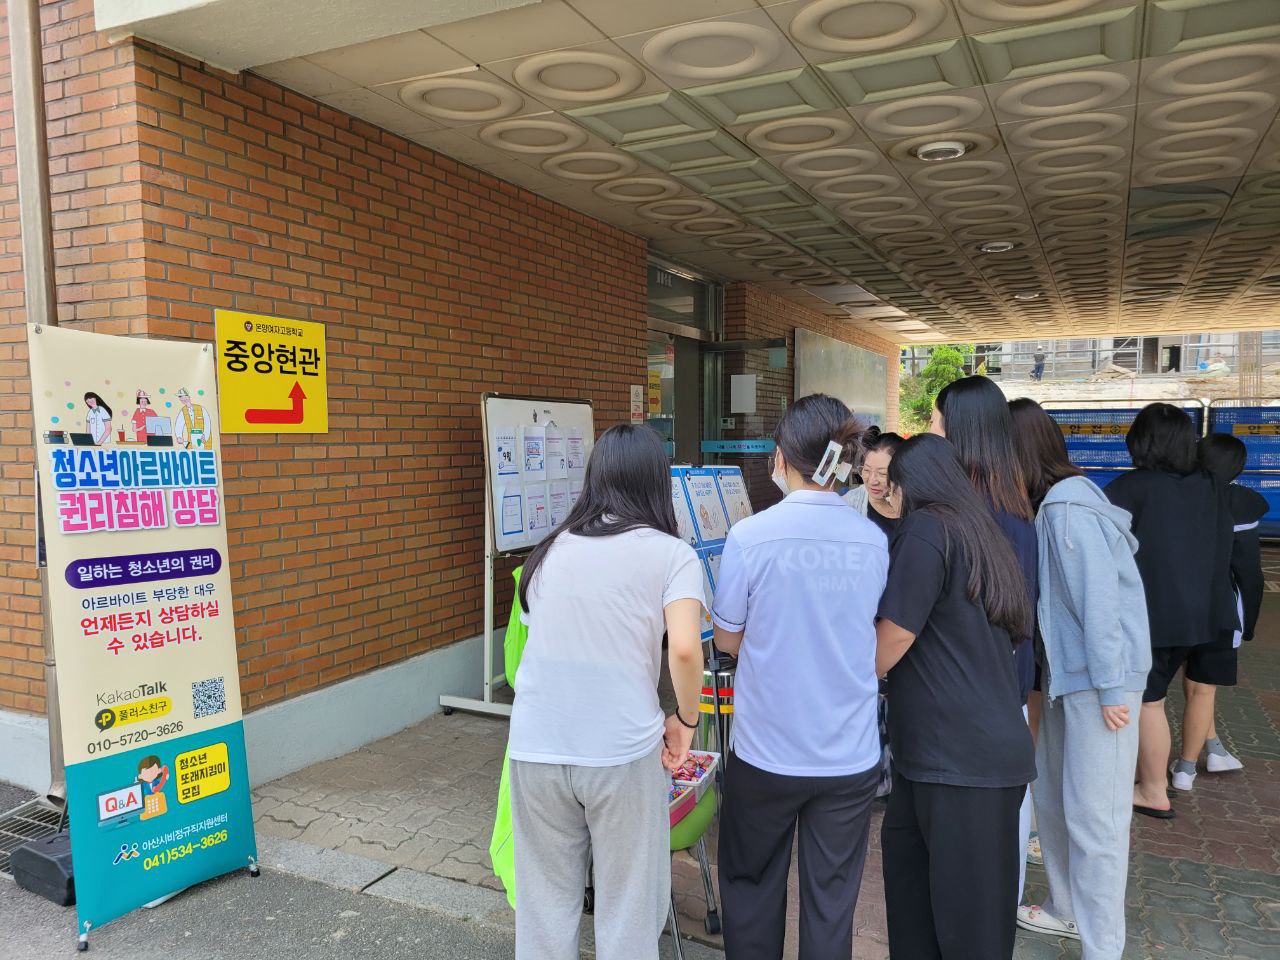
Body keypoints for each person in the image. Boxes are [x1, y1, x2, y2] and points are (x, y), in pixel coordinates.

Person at [506, 424, 705, 960]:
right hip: (620, 751)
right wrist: (685, 720)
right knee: (628, 910)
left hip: (535, 748)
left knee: (544, 907)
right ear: (656, 482)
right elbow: (685, 651)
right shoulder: (671, 555)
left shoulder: (545, 552)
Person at [713, 394, 887, 960]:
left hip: (767, 751)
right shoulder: (872, 540)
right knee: (832, 901)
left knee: (751, 884)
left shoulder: (749, 537)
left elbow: (727, 639)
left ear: (782, 456)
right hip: (849, 755)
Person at [876, 434, 1036, 960]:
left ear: (910, 484)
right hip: (954, 758)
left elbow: (894, 636)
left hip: (959, 763)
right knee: (919, 904)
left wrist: (843, 679)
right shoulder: (980, 532)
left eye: (891, 484)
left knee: (968, 932)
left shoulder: (927, 529)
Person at [1008, 399, 1150, 959]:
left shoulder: (1068, 509)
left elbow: (1100, 605)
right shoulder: (1053, 506)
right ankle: (1066, 909)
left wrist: (1114, 689)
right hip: (1071, 678)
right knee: (1055, 800)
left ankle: (1103, 947)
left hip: (1101, 684)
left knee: (1098, 821)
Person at [932, 376, 1038, 895]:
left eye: (936, 422)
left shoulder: (955, 520)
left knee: (963, 870)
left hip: (962, 713)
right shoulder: (1018, 513)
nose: (930, 433)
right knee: (1000, 856)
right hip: (1007, 702)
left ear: (961, 433)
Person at [1104, 403, 1235, 818]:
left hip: (1150, 617)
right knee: (1161, 699)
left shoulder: (1130, 488)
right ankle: (1156, 778)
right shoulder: (1210, 483)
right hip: (1203, 614)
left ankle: (1153, 789)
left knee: (1149, 703)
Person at [1169, 433, 1268, 789]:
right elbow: (1249, 573)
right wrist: (1250, 622)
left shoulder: (1174, 496)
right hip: (1221, 611)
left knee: (1193, 682)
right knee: (1203, 688)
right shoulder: (1241, 503)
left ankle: (1214, 747)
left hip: (1172, 607)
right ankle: (1185, 769)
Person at [843, 426, 904, 537]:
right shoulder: (850, 503)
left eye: (882, 473)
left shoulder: (915, 508)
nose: (872, 481)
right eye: (866, 470)